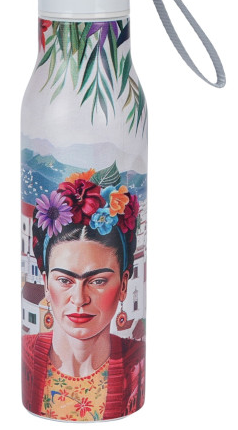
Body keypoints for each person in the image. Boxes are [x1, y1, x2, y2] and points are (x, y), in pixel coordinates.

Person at [22, 170, 145, 421]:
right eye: (65, 280)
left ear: (123, 284)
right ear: (45, 283)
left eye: (97, 281)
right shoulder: (25, 356)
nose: (79, 299)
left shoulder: (136, 368)